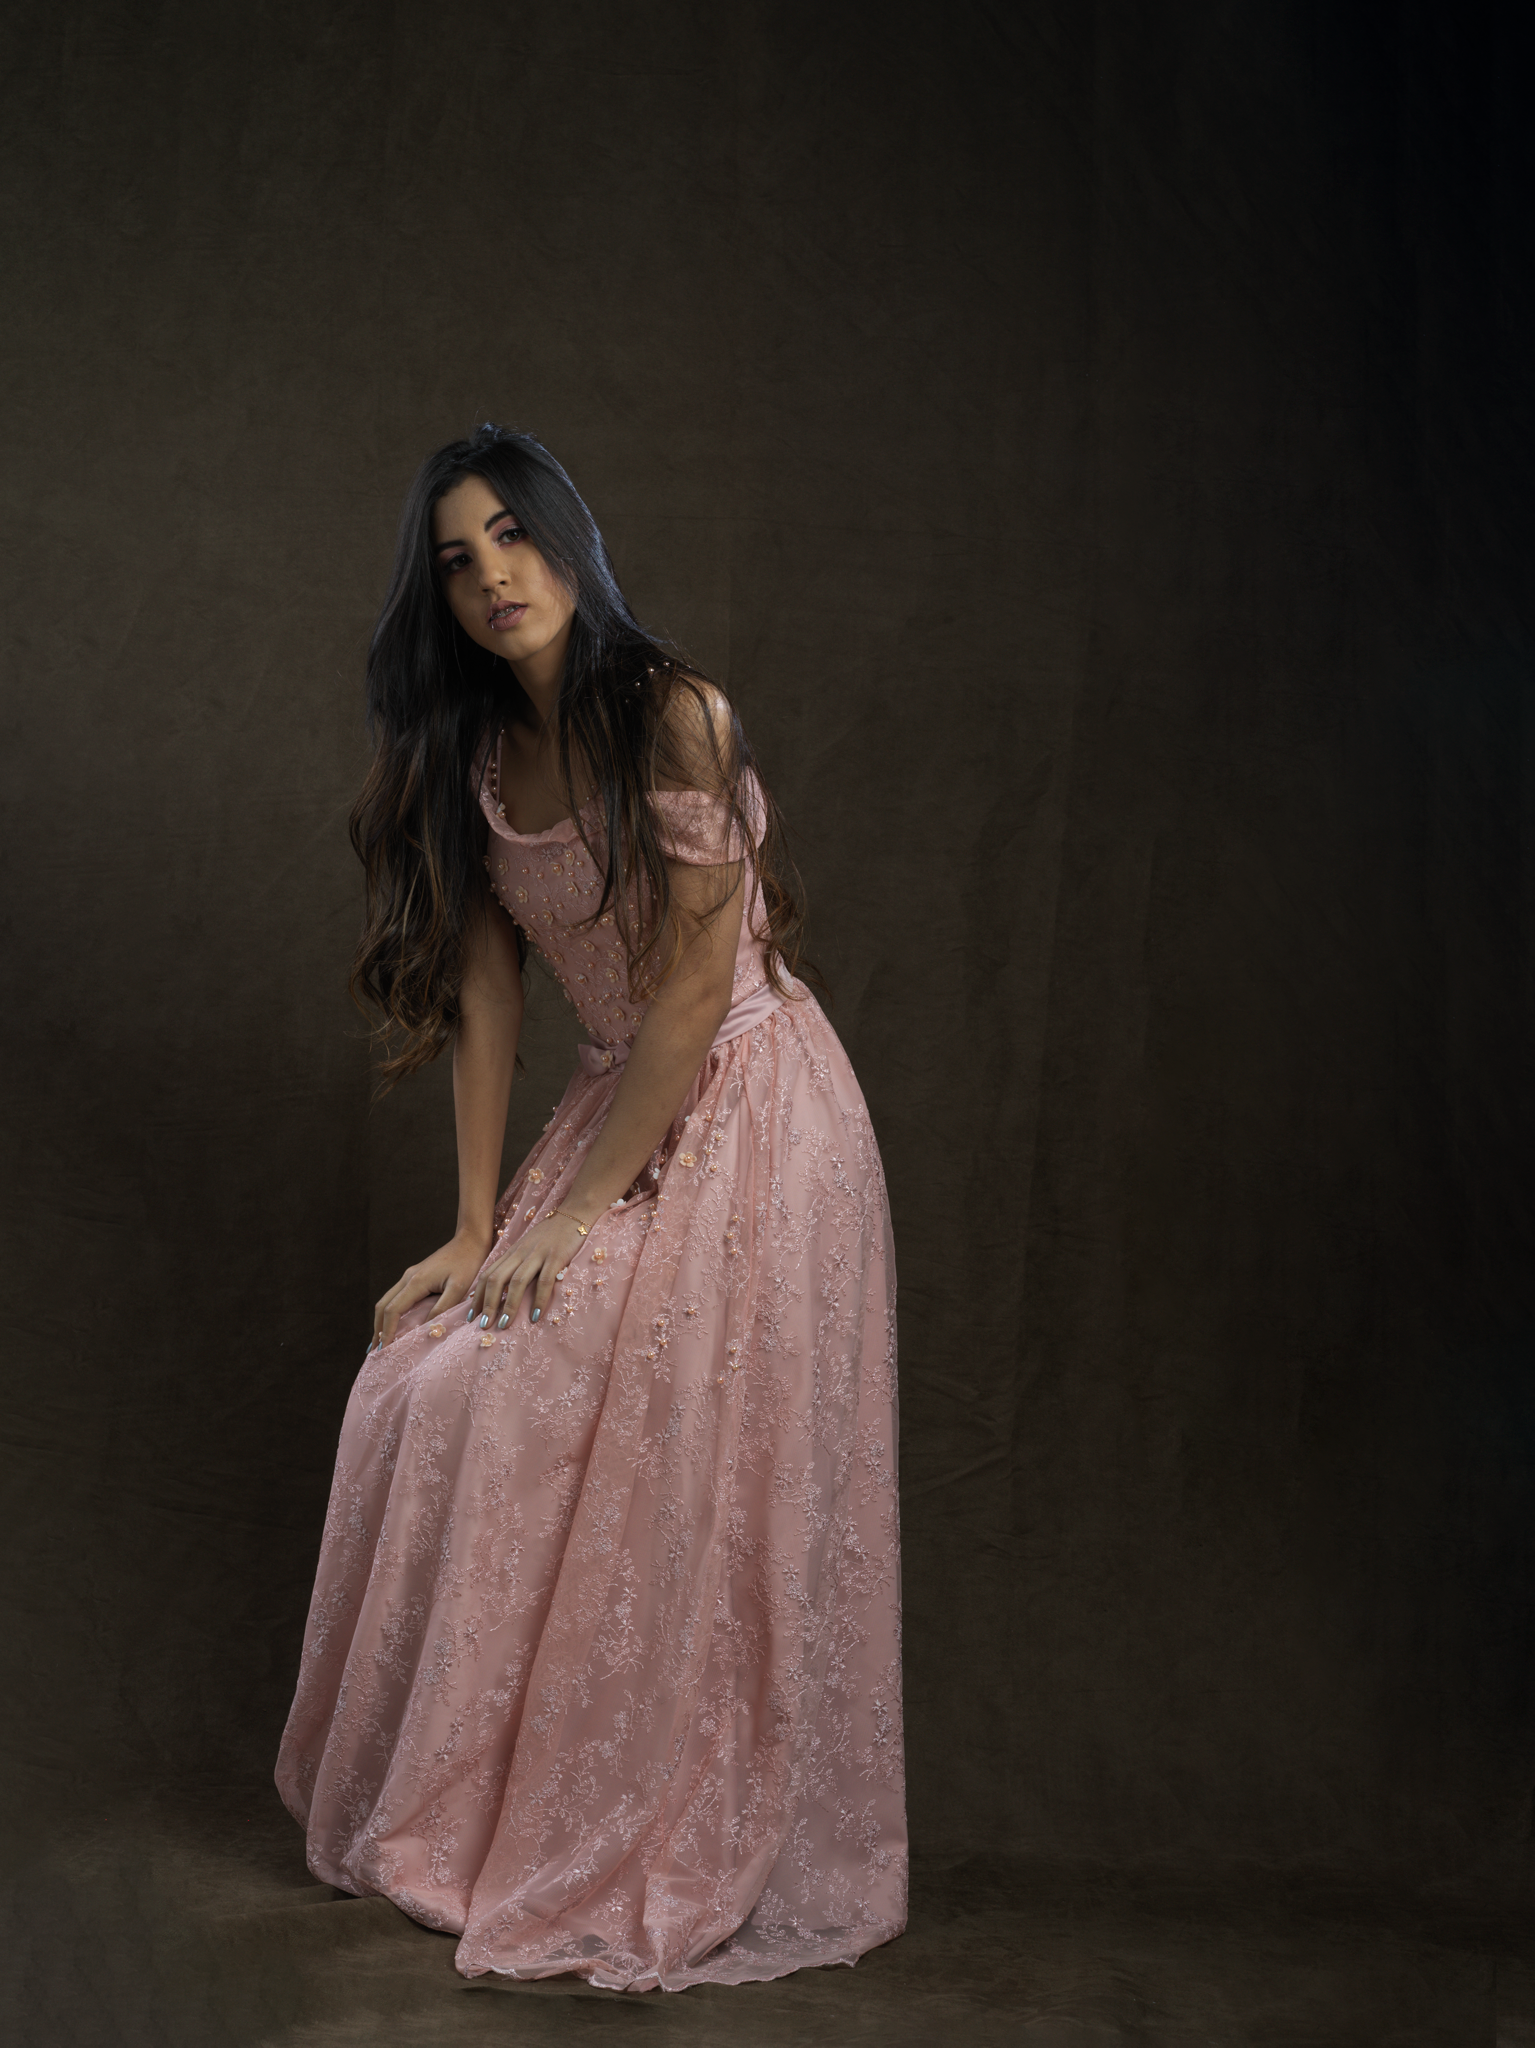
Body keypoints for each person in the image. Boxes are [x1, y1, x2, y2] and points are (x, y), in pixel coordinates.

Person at [275, 425, 906, 1992]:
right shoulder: (480, 754)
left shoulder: (678, 716)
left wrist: (574, 1223)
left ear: (568, 538)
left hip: (754, 1112)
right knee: (420, 1382)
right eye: (456, 561)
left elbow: (691, 992)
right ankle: (469, 1814)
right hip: (613, 1103)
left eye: (512, 535)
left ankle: (616, 1812)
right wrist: (477, 1225)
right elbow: (489, 988)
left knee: (561, 1392)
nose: (492, 576)